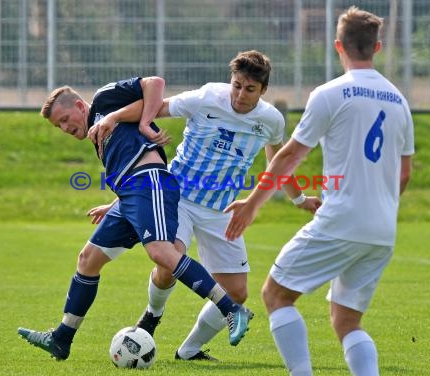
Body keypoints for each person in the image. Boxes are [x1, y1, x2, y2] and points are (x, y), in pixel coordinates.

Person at [88, 50, 321, 361]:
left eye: (249, 89)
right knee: (170, 261)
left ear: (263, 90)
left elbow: (278, 164)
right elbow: (156, 107)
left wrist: (301, 199)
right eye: (237, 85)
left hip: (222, 211)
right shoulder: (208, 97)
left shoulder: (270, 120)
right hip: (177, 197)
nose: (240, 94)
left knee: (237, 292)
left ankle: (189, 350)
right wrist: (115, 116)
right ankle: (151, 317)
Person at [224, 7, 414, 376]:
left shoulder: (330, 93)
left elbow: (290, 155)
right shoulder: (398, 100)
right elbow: (404, 174)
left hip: (341, 218)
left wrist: (252, 203)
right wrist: (377, 207)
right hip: (382, 229)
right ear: (376, 46)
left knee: (276, 295)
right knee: (347, 321)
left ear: (337, 46)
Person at [17, 76, 254, 361]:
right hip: (129, 195)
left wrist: (144, 123)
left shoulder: (104, 99)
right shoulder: (100, 131)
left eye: (65, 119)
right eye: (59, 126)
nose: (65, 128)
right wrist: (116, 204)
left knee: (161, 253)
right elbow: (130, 155)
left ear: (80, 106)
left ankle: (231, 309)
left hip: (149, 183)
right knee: (88, 259)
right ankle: (62, 338)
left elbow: (154, 83)